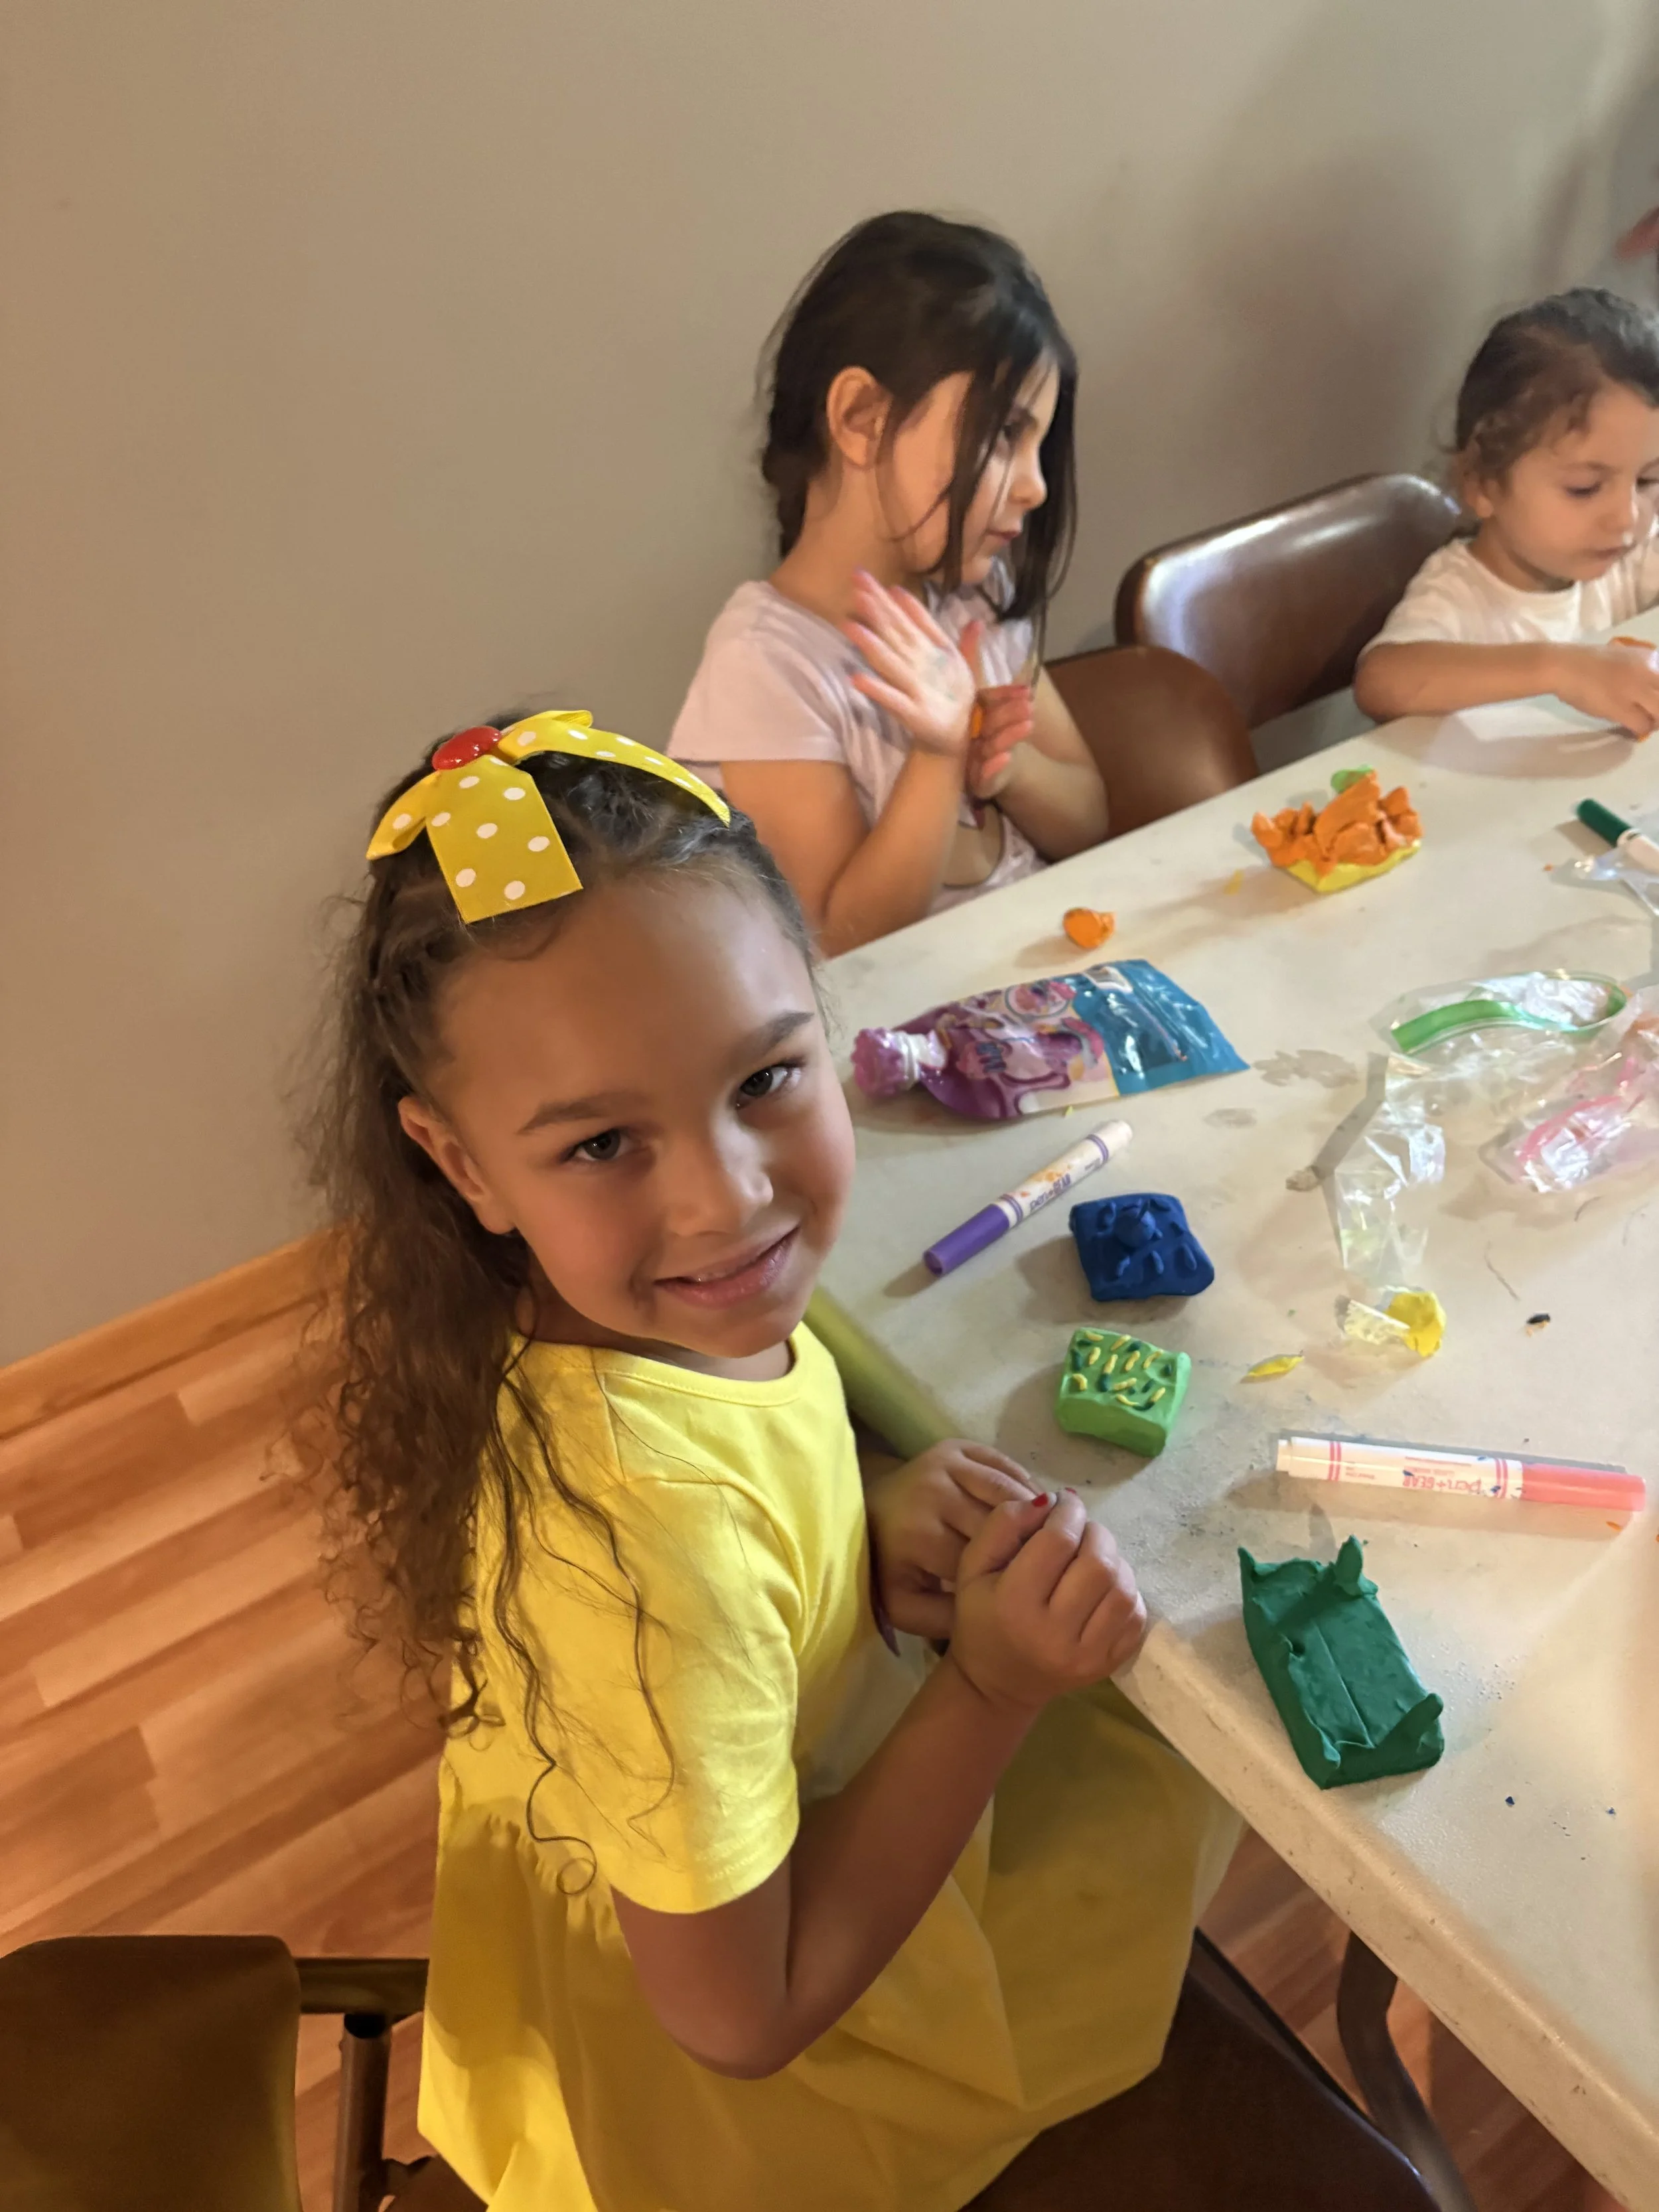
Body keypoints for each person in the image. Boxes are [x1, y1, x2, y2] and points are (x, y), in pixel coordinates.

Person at [297, 708, 1440, 2212]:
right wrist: (987, 1687)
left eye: (766, 1079)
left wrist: (856, 1515)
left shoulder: (608, 1328)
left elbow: (735, 1500)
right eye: (601, 1147)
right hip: (765, 2110)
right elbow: (740, 2014)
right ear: (461, 1164)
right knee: (1160, 1741)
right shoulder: (647, 1539)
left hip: (709, 1835)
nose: (727, 1202)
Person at [668, 212, 1109, 953]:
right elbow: (841, 945)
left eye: (1039, 444)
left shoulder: (976, 601)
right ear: (861, 417)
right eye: (1005, 436)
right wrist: (936, 759)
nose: (1034, 486)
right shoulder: (766, 666)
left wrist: (1006, 770)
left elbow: (1092, 818)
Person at [1355, 287, 1659, 731]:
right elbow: (1382, 683)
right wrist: (1560, 668)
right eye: (1585, 488)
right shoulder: (1459, 594)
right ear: (1483, 483)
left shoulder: (1632, 553)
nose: (1627, 517)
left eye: (1649, 480)